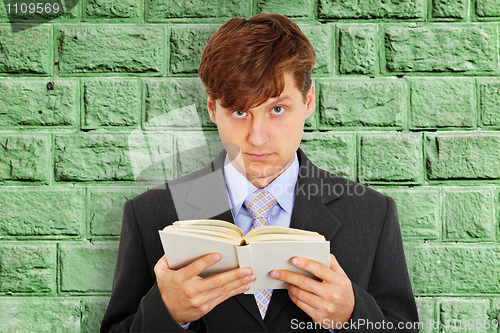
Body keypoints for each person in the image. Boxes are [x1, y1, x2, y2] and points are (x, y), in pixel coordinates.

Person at [101, 13, 418, 332]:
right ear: (213, 109)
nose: (257, 137)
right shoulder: (149, 214)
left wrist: (352, 314)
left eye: (277, 109)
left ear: (308, 102)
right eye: (240, 112)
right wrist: (167, 312)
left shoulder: (372, 214)